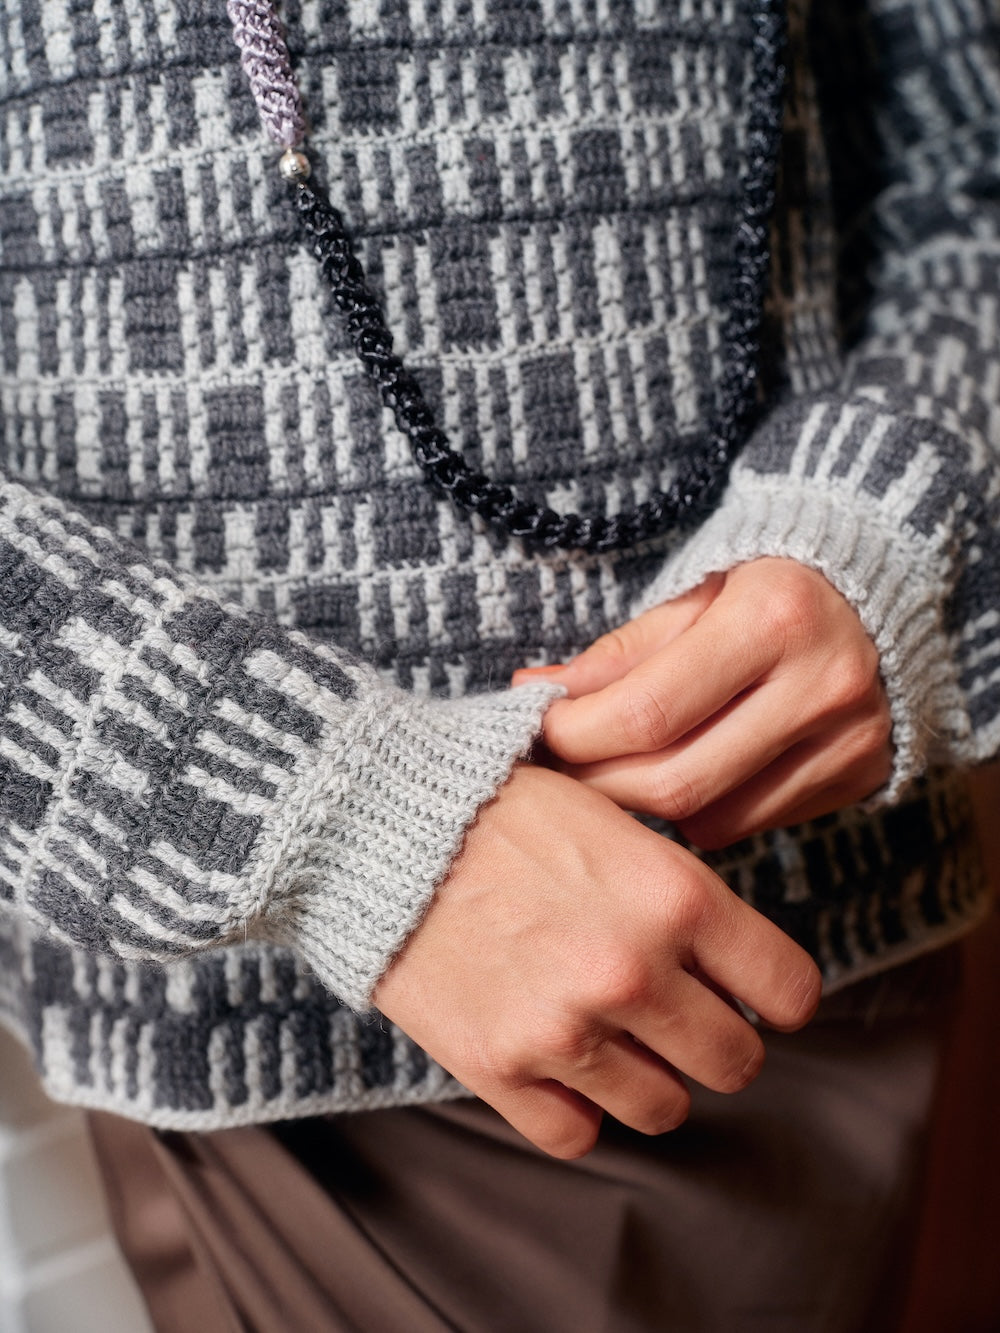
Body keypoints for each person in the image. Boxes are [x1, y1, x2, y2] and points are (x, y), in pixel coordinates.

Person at [1, 0, 997, 1327]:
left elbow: (972, 161)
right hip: (308, 1044)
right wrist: (323, 816)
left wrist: (899, 513)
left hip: (864, 925)